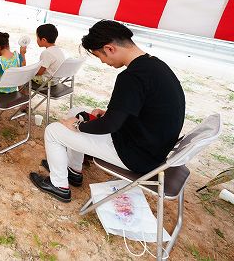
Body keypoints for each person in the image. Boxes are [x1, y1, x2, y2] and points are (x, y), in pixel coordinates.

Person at [29, 20, 185, 203]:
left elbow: (109, 125)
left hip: (135, 155)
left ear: (110, 48)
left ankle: (59, 185)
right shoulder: (155, 66)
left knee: (53, 131)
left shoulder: (131, 77)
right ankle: (73, 170)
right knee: (78, 110)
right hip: (149, 146)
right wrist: (105, 114)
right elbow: (144, 110)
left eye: (99, 56)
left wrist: (79, 125)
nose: (103, 62)